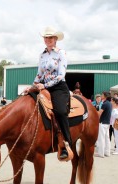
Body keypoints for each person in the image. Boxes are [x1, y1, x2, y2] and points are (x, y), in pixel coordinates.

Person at [31, 26, 71, 159]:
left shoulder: (61, 53)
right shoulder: (42, 55)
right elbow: (39, 74)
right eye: (46, 37)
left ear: (55, 39)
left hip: (58, 87)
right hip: (42, 86)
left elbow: (61, 75)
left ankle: (66, 143)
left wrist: (45, 84)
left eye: (50, 37)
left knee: (60, 111)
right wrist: (32, 86)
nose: (48, 39)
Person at [95, 91, 112, 158]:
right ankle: (107, 152)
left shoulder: (104, 104)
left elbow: (99, 113)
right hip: (107, 123)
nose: (101, 96)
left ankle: (101, 153)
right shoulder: (109, 103)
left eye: (102, 95)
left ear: (105, 96)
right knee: (107, 138)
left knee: (101, 138)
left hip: (102, 123)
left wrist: (93, 111)